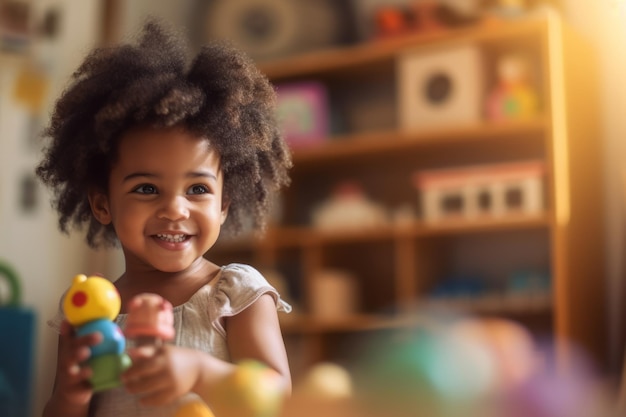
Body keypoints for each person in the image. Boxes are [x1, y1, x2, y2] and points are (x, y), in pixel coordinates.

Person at [36, 18, 293, 417]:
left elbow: (277, 399)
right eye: (146, 189)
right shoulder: (89, 309)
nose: (175, 209)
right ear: (103, 204)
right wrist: (71, 395)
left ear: (223, 205)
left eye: (198, 190)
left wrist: (201, 372)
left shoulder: (234, 295)